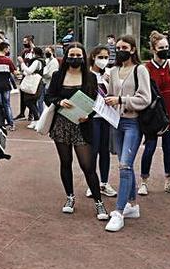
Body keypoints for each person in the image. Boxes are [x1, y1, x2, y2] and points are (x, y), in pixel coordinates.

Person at [44, 43, 110, 219]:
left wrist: (88, 115)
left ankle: (99, 202)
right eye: (71, 55)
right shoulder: (58, 75)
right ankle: (70, 197)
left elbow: (97, 102)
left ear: (83, 57)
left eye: (78, 55)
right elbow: (48, 96)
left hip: (83, 125)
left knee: (87, 166)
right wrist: (59, 102)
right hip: (61, 125)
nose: (75, 58)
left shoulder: (90, 77)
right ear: (66, 57)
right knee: (65, 162)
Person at [104, 35, 152, 232]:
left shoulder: (140, 69)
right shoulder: (114, 71)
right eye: (118, 47)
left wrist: (121, 99)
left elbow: (145, 98)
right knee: (126, 164)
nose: (121, 50)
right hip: (116, 122)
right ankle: (132, 204)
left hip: (133, 122)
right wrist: (107, 99)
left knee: (125, 165)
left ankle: (118, 211)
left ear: (133, 49)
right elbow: (111, 95)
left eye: (125, 47)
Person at [139, 32, 170, 197]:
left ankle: (168, 181)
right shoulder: (146, 68)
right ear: (153, 49)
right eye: (161, 48)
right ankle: (144, 181)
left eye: (167, 47)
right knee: (150, 148)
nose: (165, 50)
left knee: (169, 149)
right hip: (153, 115)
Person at [85, 46, 118, 198]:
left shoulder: (109, 75)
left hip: (107, 118)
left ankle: (104, 183)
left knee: (105, 151)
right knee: (93, 152)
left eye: (106, 57)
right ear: (93, 57)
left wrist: (111, 82)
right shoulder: (86, 75)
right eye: (101, 57)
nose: (104, 60)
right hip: (92, 119)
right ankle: (92, 184)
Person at [0, 41, 18, 130]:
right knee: (7, 104)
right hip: (6, 85)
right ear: (5, 49)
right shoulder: (8, 60)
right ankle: (11, 123)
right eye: (8, 48)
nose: (8, 50)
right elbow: (15, 73)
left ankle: (0, 122)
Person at [21, 46, 46, 128]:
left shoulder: (36, 61)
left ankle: (37, 119)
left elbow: (29, 71)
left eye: (32, 52)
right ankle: (35, 120)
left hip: (34, 83)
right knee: (33, 101)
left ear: (35, 53)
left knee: (28, 101)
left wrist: (22, 63)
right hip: (37, 82)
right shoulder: (41, 61)